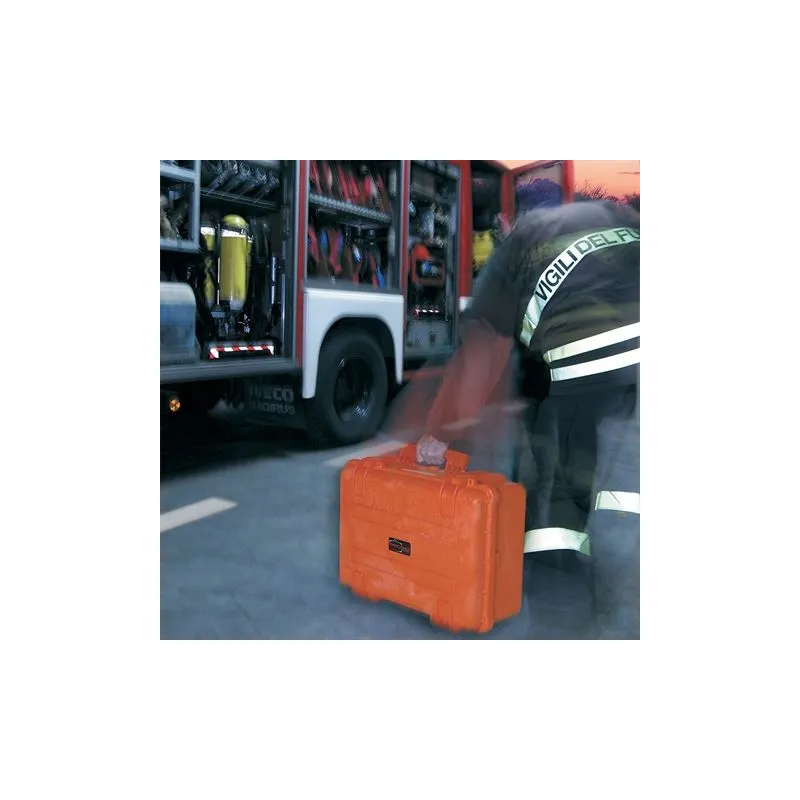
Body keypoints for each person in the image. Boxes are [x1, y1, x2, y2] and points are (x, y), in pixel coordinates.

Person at [416, 200, 640, 639]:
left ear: (510, 222)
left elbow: (482, 348)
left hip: (591, 354)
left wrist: (441, 433)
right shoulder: (608, 214)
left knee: (555, 495)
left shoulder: (522, 240)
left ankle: (559, 610)